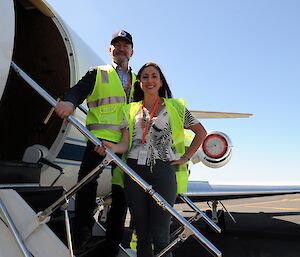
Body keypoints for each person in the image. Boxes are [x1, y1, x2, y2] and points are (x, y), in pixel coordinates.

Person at [95, 62, 207, 257]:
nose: (150, 80)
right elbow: (124, 144)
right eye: (145, 76)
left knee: (161, 233)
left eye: (154, 76)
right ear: (140, 83)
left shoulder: (176, 108)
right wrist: (110, 147)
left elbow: (201, 132)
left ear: (161, 82)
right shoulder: (130, 109)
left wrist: (186, 157)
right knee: (142, 233)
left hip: (163, 171)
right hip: (134, 172)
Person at [55, 30, 135, 257]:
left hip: (125, 144)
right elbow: (79, 90)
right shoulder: (98, 73)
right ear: (110, 50)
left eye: (125, 45)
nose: (121, 48)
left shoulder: (138, 80)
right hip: (98, 140)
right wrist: (69, 102)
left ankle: (113, 240)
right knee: (86, 185)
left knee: (121, 192)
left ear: (132, 51)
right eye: (116, 45)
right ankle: (82, 232)